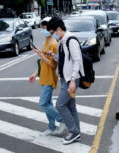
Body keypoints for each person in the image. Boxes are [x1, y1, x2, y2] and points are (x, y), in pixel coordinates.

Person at [47, 16, 84, 145]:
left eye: (53, 32)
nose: (53, 35)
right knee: (70, 106)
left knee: (60, 105)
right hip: (65, 78)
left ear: (59, 29)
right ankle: (77, 132)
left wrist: (73, 80)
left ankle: (73, 132)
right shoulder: (62, 41)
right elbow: (65, 60)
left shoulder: (71, 40)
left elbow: (77, 61)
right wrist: (55, 56)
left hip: (71, 80)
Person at [29, 19, 65, 136]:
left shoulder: (53, 44)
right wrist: (35, 73)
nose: (43, 30)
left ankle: (61, 119)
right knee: (48, 104)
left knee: (43, 104)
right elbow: (43, 62)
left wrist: (40, 54)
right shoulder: (46, 42)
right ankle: (52, 127)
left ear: (51, 30)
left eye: (45, 28)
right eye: (42, 28)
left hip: (50, 77)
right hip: (44, 77)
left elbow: (53, 65)